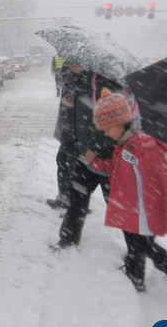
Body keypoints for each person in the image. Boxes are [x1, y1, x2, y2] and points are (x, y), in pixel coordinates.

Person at [91, 90, 167, 292]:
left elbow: (159, 184)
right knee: (136, 246)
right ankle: (137, 277)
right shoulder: (126, 145)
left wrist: (156, 214)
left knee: (142, 247)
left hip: (142, 213)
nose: (105, 133)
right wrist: (95, 162)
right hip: (132, 211)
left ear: (119, 121)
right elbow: (117, 168)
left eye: (106, 128)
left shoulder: (143, 147)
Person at [50, 62, 120, 250]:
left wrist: (94, 147)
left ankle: (142, 250)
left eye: (76, 61)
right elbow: (79, 114)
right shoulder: (81, 81)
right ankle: (68, 240)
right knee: (77, 197)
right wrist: (69, 104)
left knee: (118, 204)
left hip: (105, 155)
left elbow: (112, 119)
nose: (72, 64)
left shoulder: (104, 82)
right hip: (84, 152)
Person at [46, 63, 77, 210]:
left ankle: (74, 203)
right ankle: (67, 199)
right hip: (69, 131)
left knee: (71, 167)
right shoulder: (73, 79)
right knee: (64, 163)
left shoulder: (81, 82)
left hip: (75, 133)